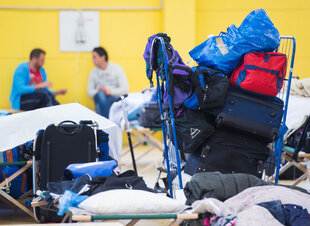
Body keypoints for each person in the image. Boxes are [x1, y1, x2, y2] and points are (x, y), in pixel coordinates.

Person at [87, 47, 129, 118]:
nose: (92, 60)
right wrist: (99, 90)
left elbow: (125, 89)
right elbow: (89, 91)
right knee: (100, 95)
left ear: (103, 57)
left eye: (94, 57)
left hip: (115, 99)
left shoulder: (117, 69)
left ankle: (106, 122)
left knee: (101, 98)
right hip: (100, 99)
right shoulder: (93, 72)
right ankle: (109, 121)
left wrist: (108, 91)